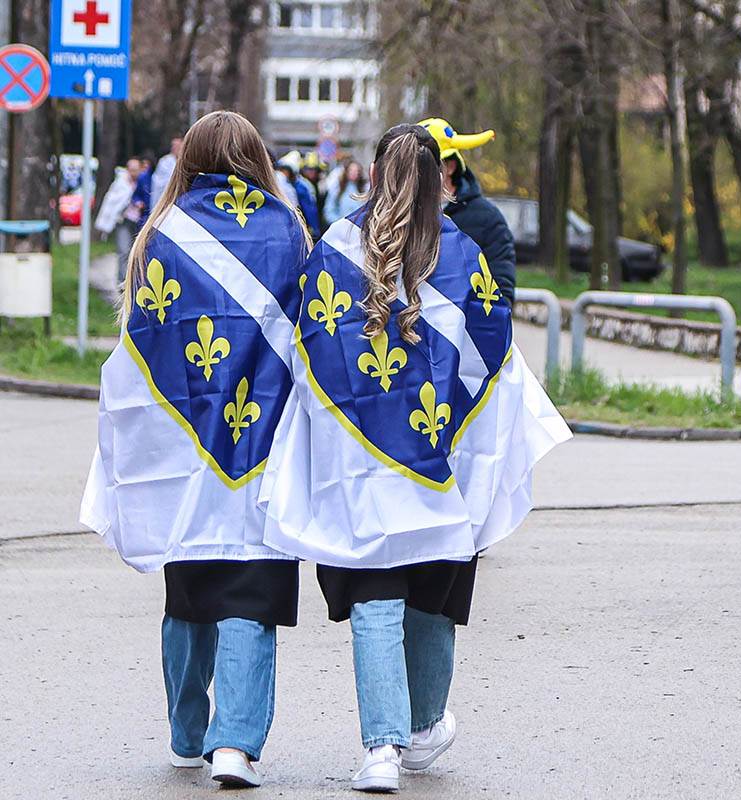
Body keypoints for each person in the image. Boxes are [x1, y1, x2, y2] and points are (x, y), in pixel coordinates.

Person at [260, 123, 571, 793]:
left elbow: (305, 350)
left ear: (371, 177)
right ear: (441, 182)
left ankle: (381, 751)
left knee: (374, 590)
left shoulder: (332, 249)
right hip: (441, 460)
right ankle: (425, 725)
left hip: (358, 461)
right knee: (433, 589)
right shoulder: (463, 255)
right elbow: (493, 359)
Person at [80, 110, 311, 789]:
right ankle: (234, 745)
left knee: (189, 590)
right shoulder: (291, 230)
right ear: (257, 157)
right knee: (251, 589)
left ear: (193, 158)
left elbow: (142, 348)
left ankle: (187, 729)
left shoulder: (160, 233)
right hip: (264, 441)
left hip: (185, 446)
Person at [418, 117, 517, 306]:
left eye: (427, 164)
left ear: (450, 167)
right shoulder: (403, 216)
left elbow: (500, 294)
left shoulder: (488, 220)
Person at [93, 158, 143, 284]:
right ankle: (122, 281)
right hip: (123, 220)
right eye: (131, 170)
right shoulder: (120, 183)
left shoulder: (143, 182)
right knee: (124, 250)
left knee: (136, 252)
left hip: (139, 221)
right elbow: (112, 201)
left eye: (136, 170)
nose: (134, 173)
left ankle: (134, 281)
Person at [324, 159, 369, 223]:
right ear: (346, 171)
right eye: (351, 170)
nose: (354, 173)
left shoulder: (364, 189)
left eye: (357, 171)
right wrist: (339, 222)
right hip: (341, 226)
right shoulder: (337, 188)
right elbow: (329, 210)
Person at [150, 136, 182, 210]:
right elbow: (157, 180)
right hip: (164, 196)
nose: (175, 148)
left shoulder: (186, 161)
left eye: (177, 146)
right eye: (173, 146)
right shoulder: (164, 161)